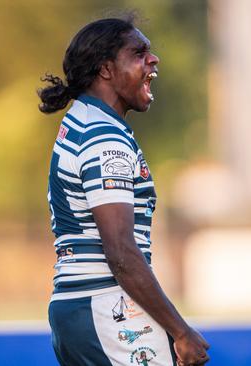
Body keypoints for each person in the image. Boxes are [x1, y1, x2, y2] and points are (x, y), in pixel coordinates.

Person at [38, 15, 210, 366]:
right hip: (107, 308)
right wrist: (180, 331)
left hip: (84, 307)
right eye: (138, 53)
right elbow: (120, 251)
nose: (153, 60)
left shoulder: (82, 121)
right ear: (106, 69)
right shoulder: (104, 137)